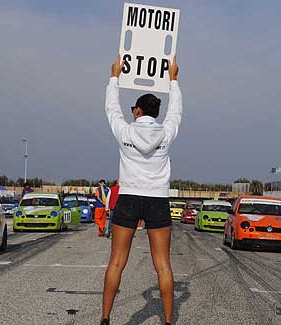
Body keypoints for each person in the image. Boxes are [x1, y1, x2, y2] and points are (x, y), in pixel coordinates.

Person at [100, 55, 181, 325]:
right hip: (157, 198)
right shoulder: (166, 133)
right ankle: (169, 321)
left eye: (133, 108)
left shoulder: (125, 131)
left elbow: (111, 108)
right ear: (155, 113)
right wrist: (173, 81)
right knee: (163, 265)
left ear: (136, 112)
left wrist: (114, 77)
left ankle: (105, 318)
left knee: (116, 263)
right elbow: (176, 112)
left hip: (129, 197)